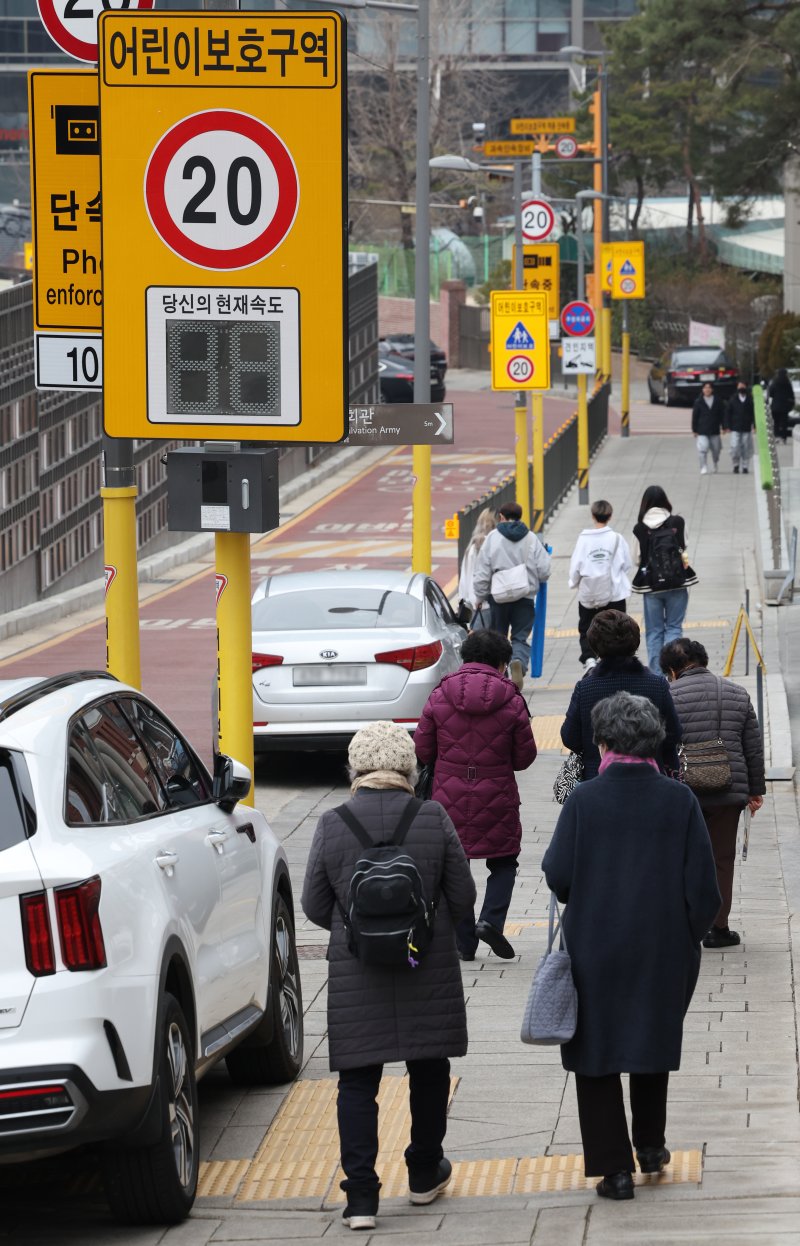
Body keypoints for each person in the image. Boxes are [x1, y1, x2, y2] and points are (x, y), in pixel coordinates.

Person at [543, 692, 720, 1201]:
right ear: (654, 741)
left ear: (602, 742)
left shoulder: (584, 799)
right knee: (650, 1040)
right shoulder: (678, 798)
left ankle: (614, 1170)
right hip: (662, 945)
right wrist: (687, 935)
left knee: (595, 1053)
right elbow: (704, 889)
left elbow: (558, 875)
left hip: (594, 945)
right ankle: (651, 1145)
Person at [301, 720, 476, 1231]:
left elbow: (314, 904)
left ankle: (360, 1198)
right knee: (428, 1068)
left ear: (354, 769)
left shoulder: (334, 823)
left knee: (357, 1082)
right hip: (427, 967)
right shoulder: (433, 816)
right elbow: (463, 899)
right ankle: (423, 1172)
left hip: (360, 973)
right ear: (410, 769)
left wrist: (357, 926)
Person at [414, 629, 536, 961]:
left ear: (465, 658)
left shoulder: (440, 695)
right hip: (497, 794)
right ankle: (491, 921)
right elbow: (524, 758)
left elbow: (422, 749)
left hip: (447, 796)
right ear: (501, 662)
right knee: (504, 860)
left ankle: (464, 941)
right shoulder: (511, 699)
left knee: (455, 866)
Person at [660, 638, 766, 949]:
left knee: (682, 858)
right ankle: (718, 928)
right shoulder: (736, 693)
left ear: (672, 670)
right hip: (728, 790)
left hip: (683, 791)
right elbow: (753, 747)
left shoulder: (667, 696)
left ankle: (685, 923)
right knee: (721, 858)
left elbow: (660, 745)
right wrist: (755, 790)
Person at [560, 609, 681, 780]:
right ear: (635, 642)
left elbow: (570, 738)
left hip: (599, 782)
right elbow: (673, 735)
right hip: (650, 780)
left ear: (595, 645)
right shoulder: (657, 684)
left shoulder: (586, 688)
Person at [472, 500, 551, 690]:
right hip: (524, 597)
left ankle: (499, 675)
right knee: (520, 638)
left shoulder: (492, 538)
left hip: (498, 598)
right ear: (520, 516)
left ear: (501, 517)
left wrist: (480, 596)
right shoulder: (531, 538)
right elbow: (544, 570)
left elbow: (482, 571)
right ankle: (518, 663)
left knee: (498, 639)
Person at [631, 485, 697, 671]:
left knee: (654, 631)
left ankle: (657, 675)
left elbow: (635, 558)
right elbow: (684, 546)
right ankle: (675, 670)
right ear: (665, 502)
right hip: (677, 582)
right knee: (674, 627)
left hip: (651, 587)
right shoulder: (678, 522)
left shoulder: (640, 528)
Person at [568, 499, 633, 671]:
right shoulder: (617, 539)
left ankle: (590, 659)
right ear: (610, 516)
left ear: (592, 515)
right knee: (618, 628)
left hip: (589, 594)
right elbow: (626, 564)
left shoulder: (583, 539)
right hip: (614, 593)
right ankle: (617, 661)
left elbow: (575, 567)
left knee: (587, 627)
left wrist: (574, 582)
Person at [457, 507, 496, 630]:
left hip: (475, 604)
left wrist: (463, 600)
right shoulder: (494, 545)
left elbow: (464, 578)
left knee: (480, 643)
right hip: (492, 602)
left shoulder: (472, 548)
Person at [691, 381, 726, 474]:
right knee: (702, 449)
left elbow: (722, 415)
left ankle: (715, 463)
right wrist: (694, 430)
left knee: (716, 450)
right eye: (705, 388)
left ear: (712, 389)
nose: (707, 389)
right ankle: (703, 466)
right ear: (702, 390)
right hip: (702, 430)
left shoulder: (718, 401)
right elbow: (695, 416)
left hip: (715, 430)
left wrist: (724, 426)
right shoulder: (698, 401)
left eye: (709, 388)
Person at [724, 381, 755, 474]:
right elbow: (727, 413)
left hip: (746, 427)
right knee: (735, 447)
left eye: (743, 386)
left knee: (746, 447)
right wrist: (727, 426)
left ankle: (745, 466)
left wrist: (755, 425)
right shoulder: (733, 399)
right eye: (739, 386)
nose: (741, 388)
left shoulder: (750, 399)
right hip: (735, 427)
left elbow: (753, 413)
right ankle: (736, 465)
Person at [767, 367, 795, 444]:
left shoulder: (775, 383)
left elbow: (770, 393)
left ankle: (777, 436)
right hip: (784, 406)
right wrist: (791, 404)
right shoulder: (787, 384)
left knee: (776, 422)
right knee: (784, 423)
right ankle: (784, 437)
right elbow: (791, 395)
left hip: (775, 406)